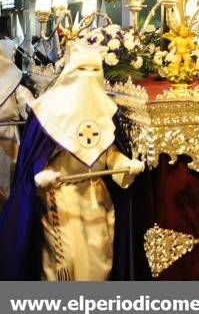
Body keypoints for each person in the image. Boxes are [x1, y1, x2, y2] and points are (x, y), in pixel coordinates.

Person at [0, 43, 145, 280]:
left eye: (93, 72)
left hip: (97, 199)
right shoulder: (46, 112)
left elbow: (109, 154)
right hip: (60, 198)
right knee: (67, 263)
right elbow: (33, 158)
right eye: (81, 71)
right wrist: (39, 174)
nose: (87, 80)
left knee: (99, 261)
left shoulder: (106, 111)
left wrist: (123, 165)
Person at [0, 41, 35, 202]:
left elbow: (29, 108)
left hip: (8, 136)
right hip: (8, 135)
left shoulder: (14, 81)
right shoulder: (15, 83)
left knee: (7, 184)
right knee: (7, 186)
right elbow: (30, 109)